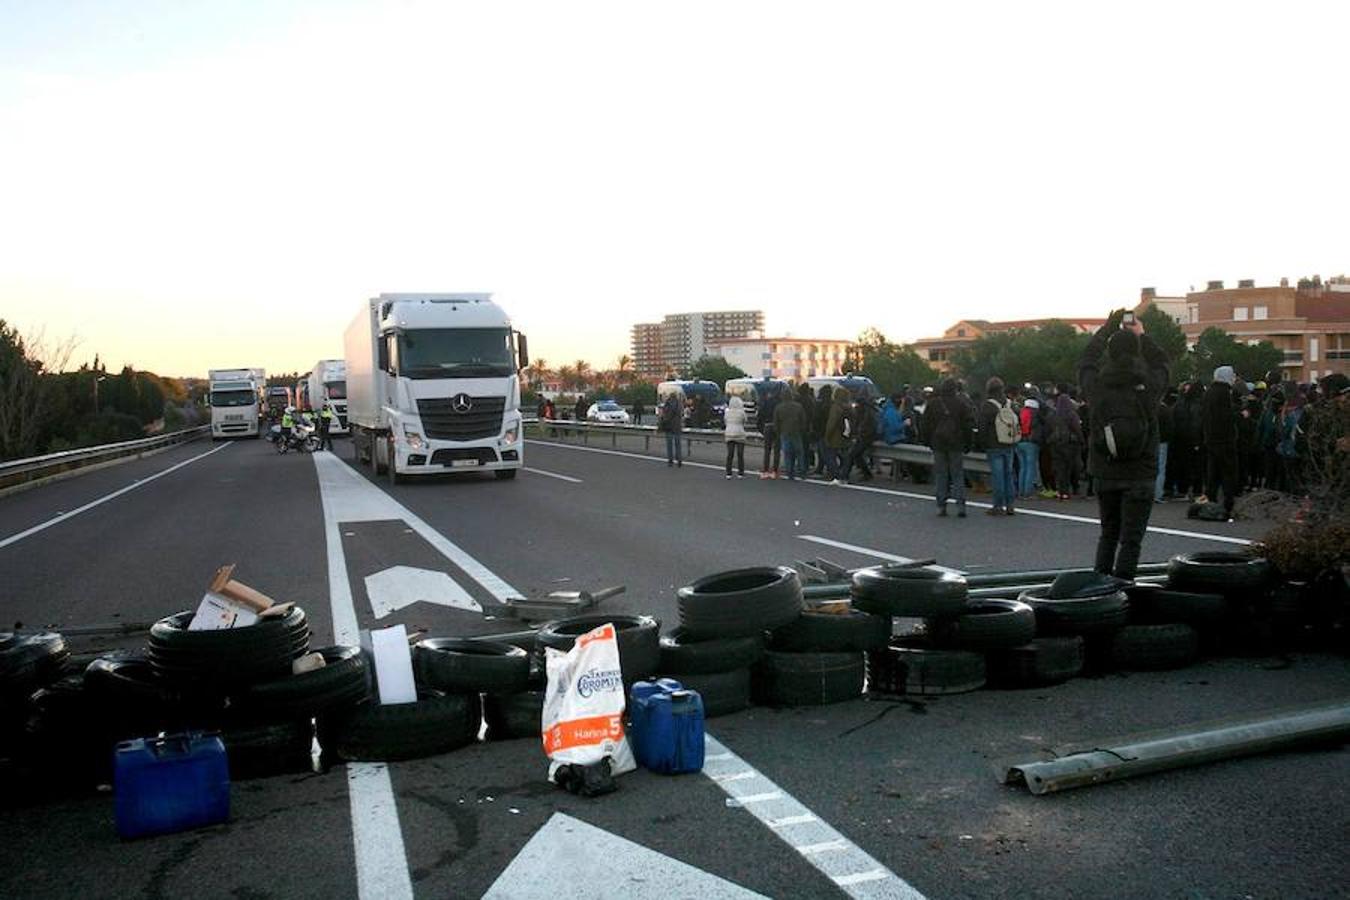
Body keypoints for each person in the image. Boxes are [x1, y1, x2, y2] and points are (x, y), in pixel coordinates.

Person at [1078, 308, 1170, 580]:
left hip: (1106, 470)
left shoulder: (1097, 386)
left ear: (1111, 351)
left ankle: (1097, 589)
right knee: (1131, 541)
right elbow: (1163, 363)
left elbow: (1085, 361)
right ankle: (1122, 592)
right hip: (1140, 473)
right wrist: (1143, 336)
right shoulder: (1149, 386)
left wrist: (1107, 329)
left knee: (1108, 534)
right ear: (1136, 350)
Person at [923, 377, 974, 516]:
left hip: (938, 443)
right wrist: (968, 444)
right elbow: (968, 426)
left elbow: (925, 425)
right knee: (957, 475)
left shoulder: (933, 404)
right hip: (956, 444)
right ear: (955, 389)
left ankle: (941, 505)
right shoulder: (961, 404)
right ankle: (960, 505)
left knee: (941, 474)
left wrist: (928, 441)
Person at [1202, 365, 1241, 520]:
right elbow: (1226, 416)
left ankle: (1211, 503)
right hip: (1224, 440)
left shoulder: (1209, 393)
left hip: (1211, 439)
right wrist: (1238, 413)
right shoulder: (1225, 393)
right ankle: (1227, 505)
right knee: (1228, 473)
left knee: (1213, 473)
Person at [977, 377, 1018, 514]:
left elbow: (982, 427)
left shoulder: (987, 405)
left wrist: (982, 444)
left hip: (994, 445)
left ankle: (998, 505)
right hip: (1009, 443)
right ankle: (1010, 505)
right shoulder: (1009, 404)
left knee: (997, 476)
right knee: (1009, 475)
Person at [1046, 389, 1083, 500]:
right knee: (1069, 468)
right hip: (1069, 444)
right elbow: (1077, 429)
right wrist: (1082, 440)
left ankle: (1060, 490)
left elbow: (1047, 429)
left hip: (1055, 443)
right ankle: (1067, 491)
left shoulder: (1052, 414)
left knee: (1059, 468)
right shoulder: (1072, 414)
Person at [773, 387, 808, 480]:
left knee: (788, 454)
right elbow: (803, 420)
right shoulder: (798, 406)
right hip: (796, 432)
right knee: (799, 453)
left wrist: (778, 432)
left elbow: (776, 422)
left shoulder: (779, 407)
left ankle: (790, 473)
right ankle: (802, 472)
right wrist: (802, 430)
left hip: (784, 433)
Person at [841, 396, 877, 483]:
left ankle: (844, 476)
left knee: (852, 455)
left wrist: (860, 434)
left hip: (866, 438)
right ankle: (867, 474)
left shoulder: (868, 413)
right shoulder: (863, 412)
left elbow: (868, 427)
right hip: (863, 437)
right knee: (856, 456)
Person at [1016, 391, 1044, 500]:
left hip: (1019, 441)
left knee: (1022, 468)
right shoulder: (1036, 414)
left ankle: (1021, 491)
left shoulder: (1021, 412)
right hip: (1031, 442)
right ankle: (1028, 493)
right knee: (1030, 468)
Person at [823, 386, 853, 484]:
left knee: (830, 456)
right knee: (845, 457)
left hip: (835, 436)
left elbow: (831, 423)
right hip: (846, 434)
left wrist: (827, 435)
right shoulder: (850, 408)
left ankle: (836, 476)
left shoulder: (836, 407)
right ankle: (844, 476)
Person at [758, 382, 782, 479]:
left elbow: (760, 415)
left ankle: (765, 470)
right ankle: (775, 471)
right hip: (777, 427)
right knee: (777, 450)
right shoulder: (780, 402)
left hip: (767, 426)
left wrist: (761, 428)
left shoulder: (767, 401)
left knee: (767, 450)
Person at [1155, 389, 1175, 502]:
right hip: (1163, 441)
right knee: (1161, 468)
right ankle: (1158, 494)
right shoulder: (1165, 410)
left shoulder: (1149, 409)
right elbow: (1170, 427)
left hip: (1151, 441)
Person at [723, 394, 747, 478]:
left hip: (729, 434)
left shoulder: (727, 412)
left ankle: (728, 473)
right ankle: (740, 472)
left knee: (730, 454)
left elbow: (725, 422)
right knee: (740, 454)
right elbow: (745, 421)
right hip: (740, 434)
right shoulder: (742, 412)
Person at [657, 391, 684, 467]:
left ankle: (670, 460)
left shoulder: (667, 404)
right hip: (677, 427)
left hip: (669, 426)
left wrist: (661, 425)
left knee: (669, 444)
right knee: (678, 444)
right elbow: (681, 414)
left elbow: (665, 416)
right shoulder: (679, 404)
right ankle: (679, 460)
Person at [811, 385, 832, 477]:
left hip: (821, 430)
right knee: (825, 451)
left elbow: (817, 418)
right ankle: (824, 468)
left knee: (823, 452)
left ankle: (826, 470)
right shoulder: (831, 404)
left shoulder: (821, 405)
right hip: (828, 430)